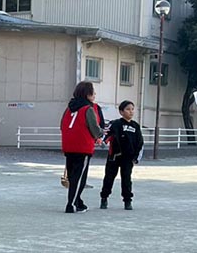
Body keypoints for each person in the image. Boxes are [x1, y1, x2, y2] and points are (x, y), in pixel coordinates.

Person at [60, 81, 104, 213]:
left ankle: (78, 202)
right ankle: (71, 204)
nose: (94, 94)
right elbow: (95, 129)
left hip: (68, 145)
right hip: (82, 146)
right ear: (87, 94)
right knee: (79, 177)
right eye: (92, 92)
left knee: (72, 174)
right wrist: (102, 132)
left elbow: (62, 125)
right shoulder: (88, 109)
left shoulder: (69, 109)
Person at [99, 100, 143, 210]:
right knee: (109, 178)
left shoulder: (136, 126)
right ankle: (104, 198)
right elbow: (106, 134)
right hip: (114, 156)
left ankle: (127, 200)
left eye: (132, 109)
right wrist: (103, 142)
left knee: (126, 179)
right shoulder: (115, 123)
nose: (131, 112)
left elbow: (140, 143)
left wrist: (136, 158)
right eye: (128, 109)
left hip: (128, 159)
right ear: (121, 112)